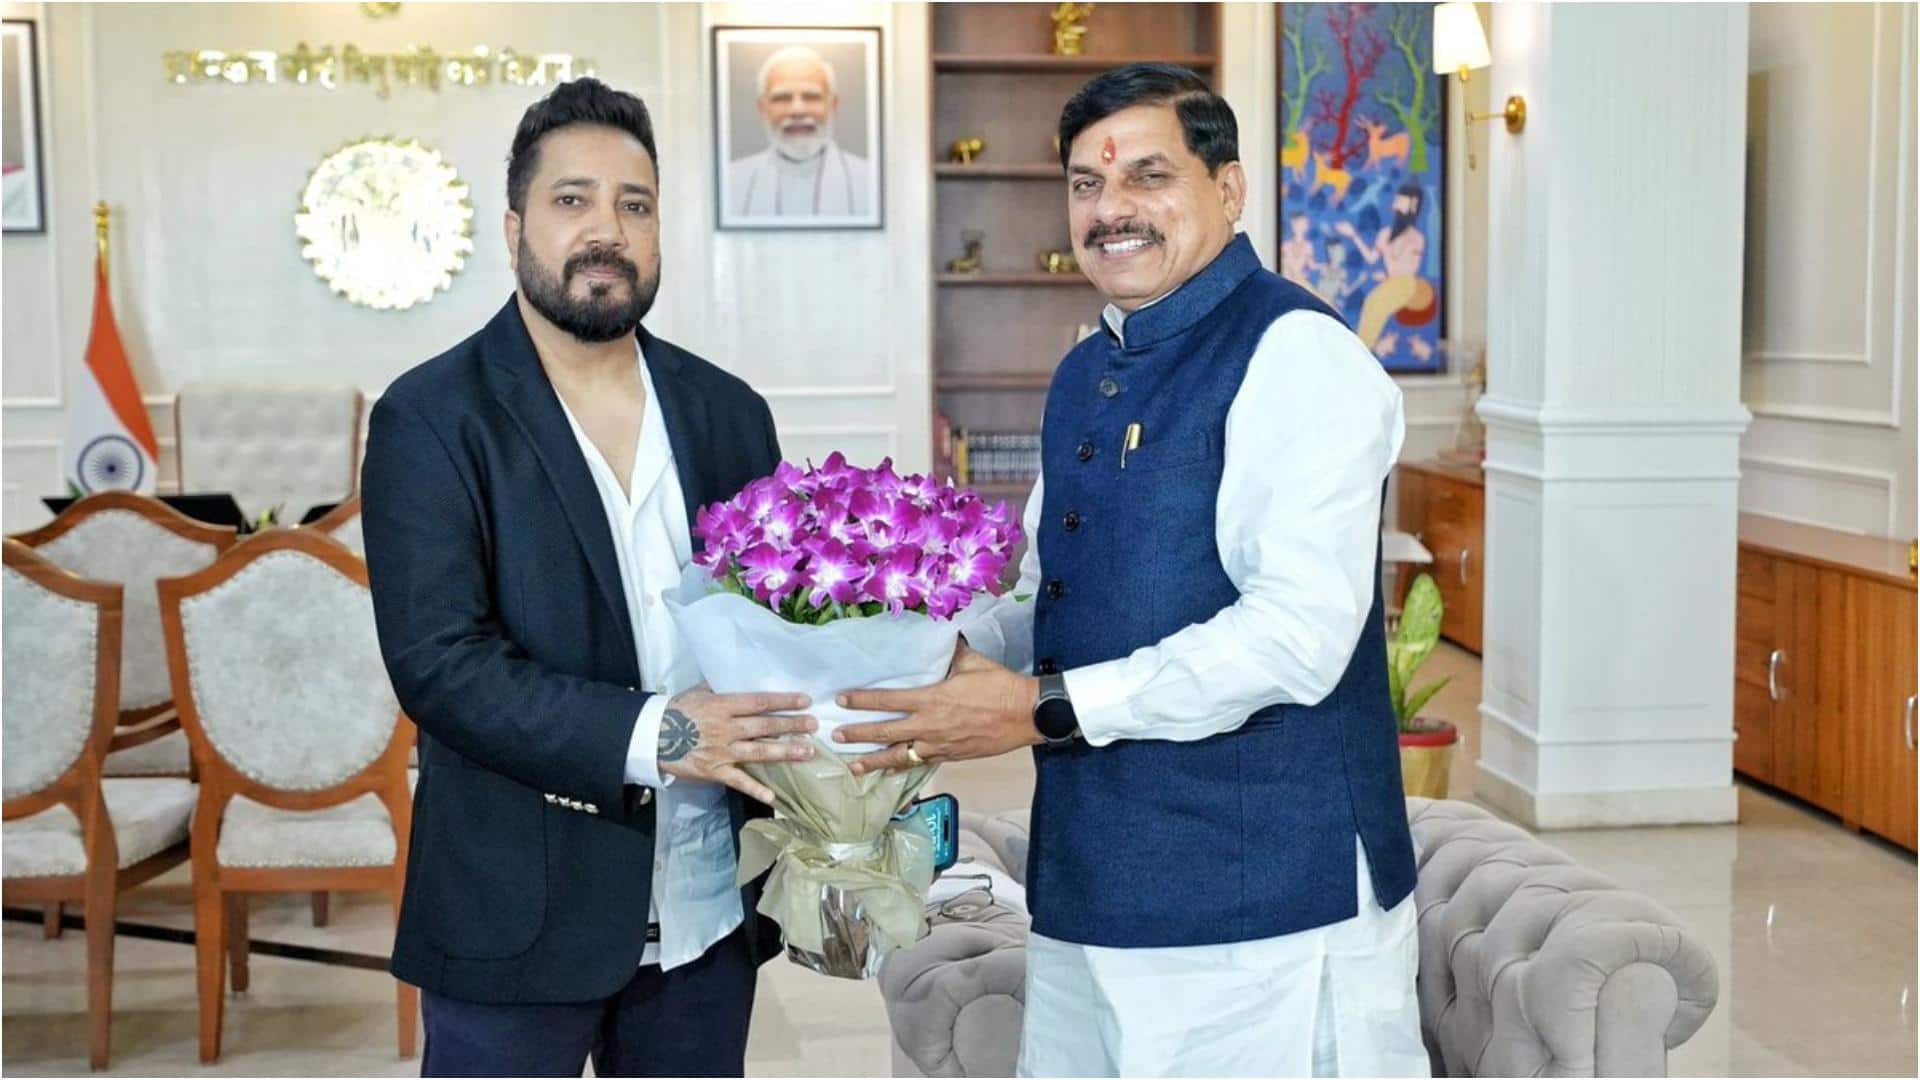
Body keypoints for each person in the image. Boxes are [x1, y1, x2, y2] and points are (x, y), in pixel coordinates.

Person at [835, 64, 1429, 1078]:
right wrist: (927, 662)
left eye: (1149, 176)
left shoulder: (1299, 357)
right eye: (1086, 184)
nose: (1111, 209)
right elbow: (1051, 592)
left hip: (1261, 908)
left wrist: (1037, 708)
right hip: (1094, 883)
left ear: (1230, 189)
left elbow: (1297, 639)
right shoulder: (1087, 369)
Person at [361, 77, 816, 1077]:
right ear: (514, 227)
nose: (606, 230)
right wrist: (666, 736)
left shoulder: (730, 413)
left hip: (705, 913)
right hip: (514, 921)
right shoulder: (430, 417)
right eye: (573, 200)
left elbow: (781, 627)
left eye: (634, 205)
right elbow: (439, 664)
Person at [726, 45, 871, 218]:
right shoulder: (731, 182)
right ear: (762, 108)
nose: (797, 110)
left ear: (833, 105)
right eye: (782, 98)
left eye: (811, 97)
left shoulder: (870, 180)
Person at [1336, 177, 1434, 349]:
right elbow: (1371, 258)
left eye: (1403, 200)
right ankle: (1362, 348)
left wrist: (1390, 276)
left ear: (1413, 205)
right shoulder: (1385, 234)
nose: (1398, 202)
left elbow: (1411, 268)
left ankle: (1362, 349)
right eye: (1398, 199)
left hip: (1406, 284)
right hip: (1392, 283)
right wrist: (1353, 235)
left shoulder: (1417, 238)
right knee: (1370, 304)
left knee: (1376, 303)